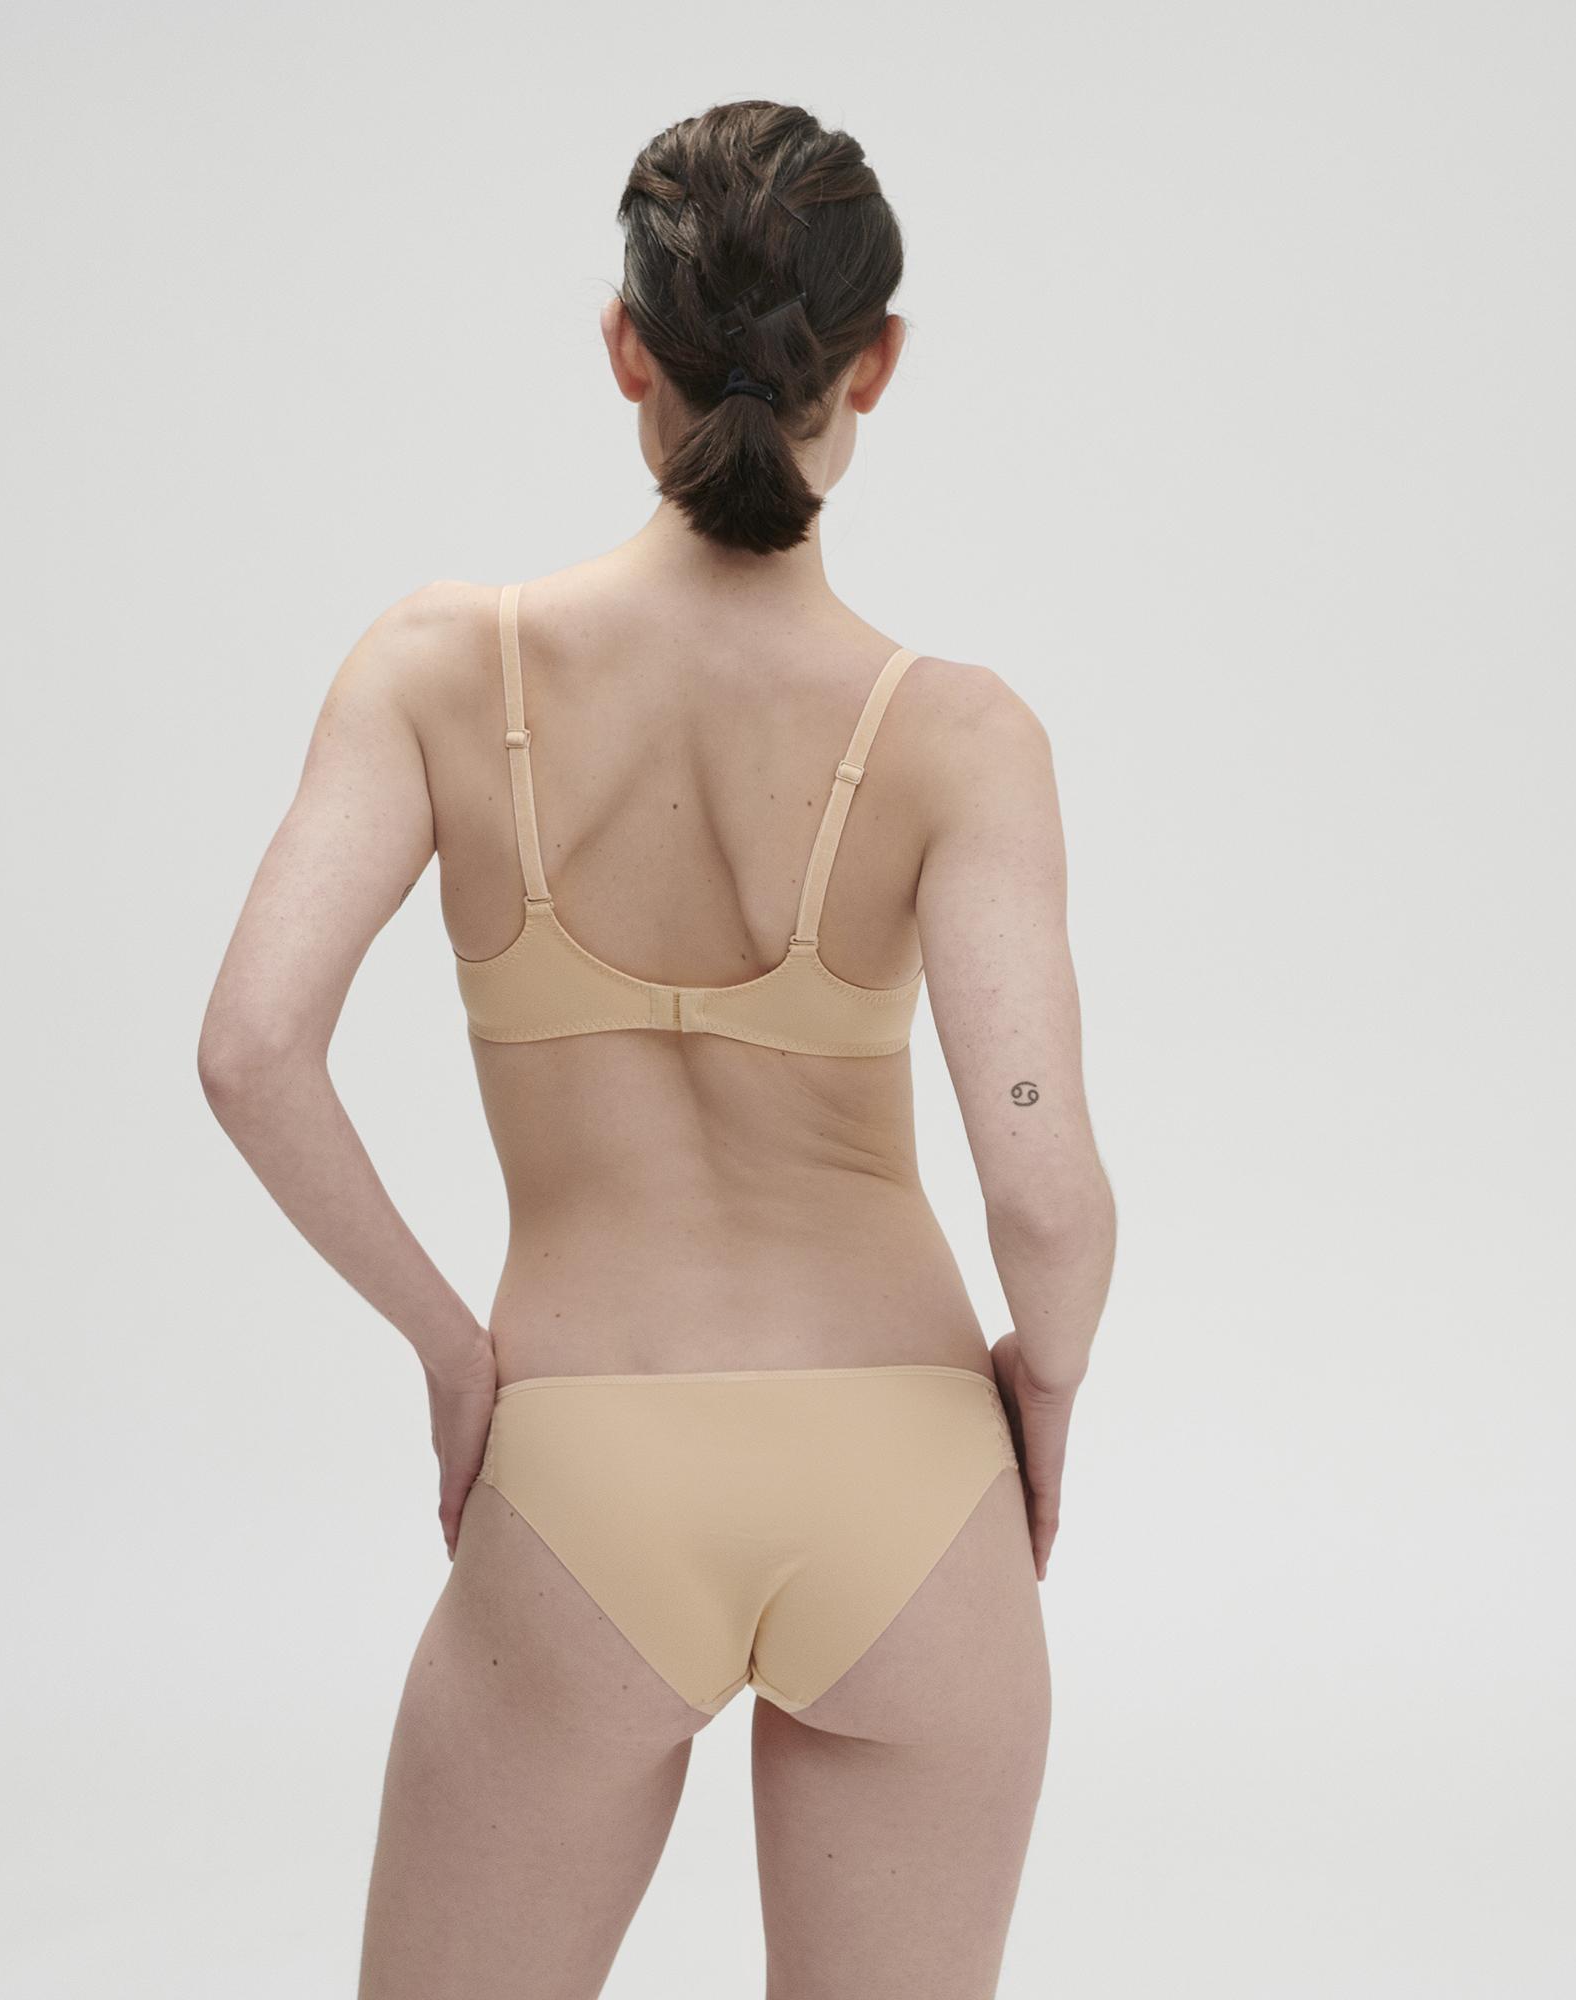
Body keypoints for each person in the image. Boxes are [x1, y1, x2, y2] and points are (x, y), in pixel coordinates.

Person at [198, 97, 1116, 2000]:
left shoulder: (438, 671)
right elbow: (1040, 1183)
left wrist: (451, 1350)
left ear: (627, 344)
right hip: (910, 1477)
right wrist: (1047, 1382)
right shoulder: (963, 738)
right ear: (877, 363)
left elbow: (253, 1049)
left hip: (582, 1470)